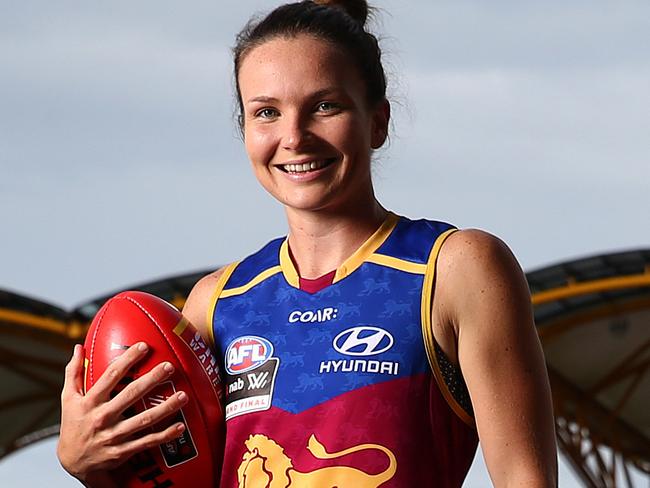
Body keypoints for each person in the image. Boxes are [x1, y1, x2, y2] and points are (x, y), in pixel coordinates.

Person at [57, 0, 558, 486]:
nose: (294, 136)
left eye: (324, 106)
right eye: (267, 112)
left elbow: (525, 479)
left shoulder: (452, 269)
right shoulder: (219, 302)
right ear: (246, 131)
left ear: (377, 121)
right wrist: (93, 466)